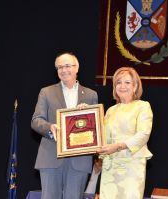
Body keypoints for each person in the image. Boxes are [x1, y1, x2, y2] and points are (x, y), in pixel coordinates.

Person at [31, 52, 98, 199]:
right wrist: (50, 128)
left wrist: (88, 114)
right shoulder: (46, 92)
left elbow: (95, 129)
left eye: (67, 66)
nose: (63, 70)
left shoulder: (91, 95)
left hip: (79, 160)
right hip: (50, 156)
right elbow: (36, 120)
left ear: (77, 68)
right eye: (59, 67)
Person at [97, 67, 153, 199]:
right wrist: (83, 114)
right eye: (118, 82)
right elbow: (101, 137)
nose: (122, 86)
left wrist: (118, 146)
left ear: (135, 86)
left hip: (131, 165)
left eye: (127, 82)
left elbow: (143, 134)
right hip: (110, 167)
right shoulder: (110, 110)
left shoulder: (143, 106)